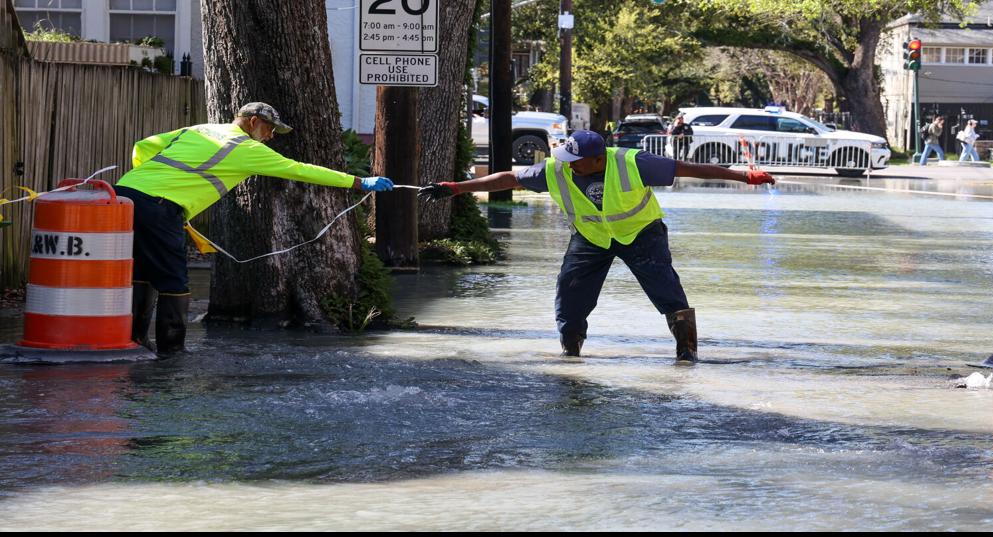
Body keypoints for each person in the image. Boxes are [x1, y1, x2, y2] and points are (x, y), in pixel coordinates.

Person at [424, 129, 772, 362]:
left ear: (598, 158)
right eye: (567, 159)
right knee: (569, 295)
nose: (568, 167)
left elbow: (687, 168)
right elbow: (510, 178)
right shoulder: (557, 169)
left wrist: (743, 176)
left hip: (641, 233)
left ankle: (687, 354)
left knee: (668, 293)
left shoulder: (632, 162)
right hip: (591, 238)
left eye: (576, 162)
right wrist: (455, 187)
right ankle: (571, 356)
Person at [113, 102, 393, 355]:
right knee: (173, 279)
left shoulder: (200, 129)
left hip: (123, 195)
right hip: (161, 206)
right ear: (252, 121)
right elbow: (299, 170)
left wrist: (147, 183)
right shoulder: (246, 149)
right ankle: (171, 353)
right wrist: (358, 182)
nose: (270, 136)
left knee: (141, 271)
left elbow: (143, 145)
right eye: (269, 128)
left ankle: (135, 342)